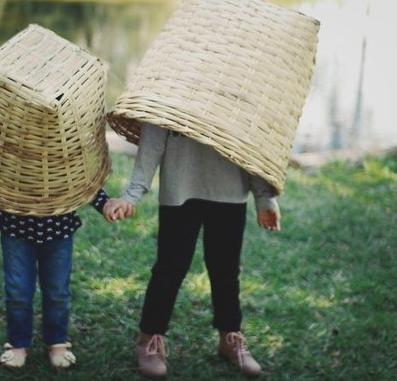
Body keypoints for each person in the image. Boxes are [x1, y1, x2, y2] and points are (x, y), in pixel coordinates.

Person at [106, 123, 281, 378]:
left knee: (226, 270)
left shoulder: (240, 86)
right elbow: (153, 138)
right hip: (181, 188)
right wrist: (132, 195)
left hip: (230, 190)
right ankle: (149, 339)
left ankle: (229, 336)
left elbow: (253, 139)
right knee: (170, 267)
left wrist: (264, 197)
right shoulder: (169, 87)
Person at [0, 192, 133, 369]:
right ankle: (18, 343)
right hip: (15, 225)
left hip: (58, 228)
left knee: (57, 291)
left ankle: (57, 341)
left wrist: (104, 203)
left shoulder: (63, 164)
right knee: (17, 290)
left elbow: (80, 178)